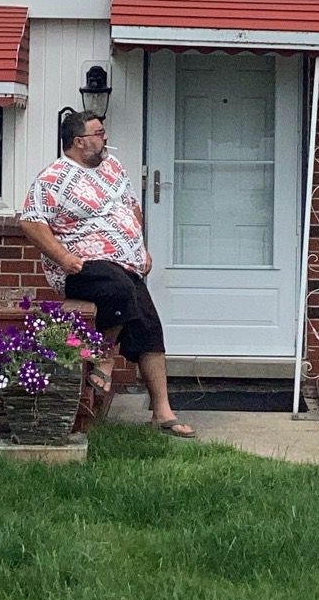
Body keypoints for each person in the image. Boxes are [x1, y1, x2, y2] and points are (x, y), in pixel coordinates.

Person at [19, 109, 196, 437]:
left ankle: (162, 412)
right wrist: (63, 257)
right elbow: (30, 221)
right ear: (78, 141)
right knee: (116, 286)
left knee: (149, 326)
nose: (105, 139)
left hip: (126, 265)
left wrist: (141, 248)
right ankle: (103, 358)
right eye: (99, 133)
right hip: (82, 267)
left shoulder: (113, 168)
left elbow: (131, 209)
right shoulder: (53, 178)